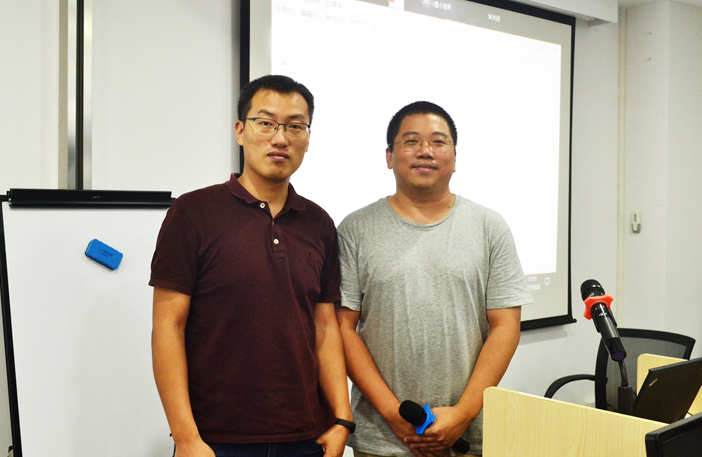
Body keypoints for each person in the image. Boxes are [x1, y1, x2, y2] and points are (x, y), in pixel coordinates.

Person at [150, 75, 353, 457]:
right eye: (266, 123)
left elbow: (325, 326)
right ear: (240, 131)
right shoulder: (193, 212)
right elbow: (167, 326)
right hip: (216, 439)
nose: (281, 138)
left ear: (308, 138)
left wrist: (342, 418)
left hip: (306, 437)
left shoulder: (319, 222)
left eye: (295, 126)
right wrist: (186, 437)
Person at [336, 101, 533, 457]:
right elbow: (343, 329)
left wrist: (462, 414)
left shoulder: (489, 227)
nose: (425, 150)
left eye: (439, 141)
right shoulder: (355, 229)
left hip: (466, 435)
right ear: (389, 156)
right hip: (382, 437)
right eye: (411, 141)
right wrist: (394, 415)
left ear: (455, 158)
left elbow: (506, 326)